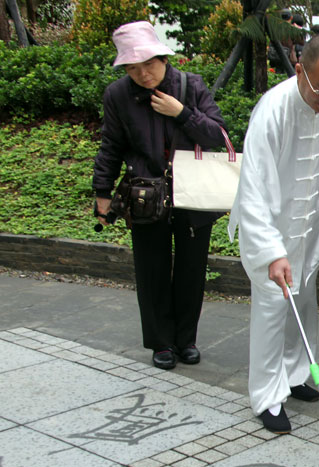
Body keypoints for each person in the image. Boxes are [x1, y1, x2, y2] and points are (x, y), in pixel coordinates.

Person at [229, 34, 319, 434]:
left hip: (310, 220)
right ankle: (267, 396)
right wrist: (272, 251)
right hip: (270, 221)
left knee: (303, 299)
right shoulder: (273, 110)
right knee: (273, 305)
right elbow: (254, 188)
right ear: (300, 71)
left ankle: (296, 372)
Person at [93, 21, 227, 371]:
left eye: (149, 64)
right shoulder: (118, 95)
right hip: (146, 193)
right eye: (132, 67)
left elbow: (217, 135)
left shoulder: (190, 86)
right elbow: (111, 146)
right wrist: (102, 192)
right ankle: (161, 342)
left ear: (164, 58)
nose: (142, 74)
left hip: (193, 192)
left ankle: (186, 339)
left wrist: (181, 112)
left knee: (191, 268)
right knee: (151, 269)